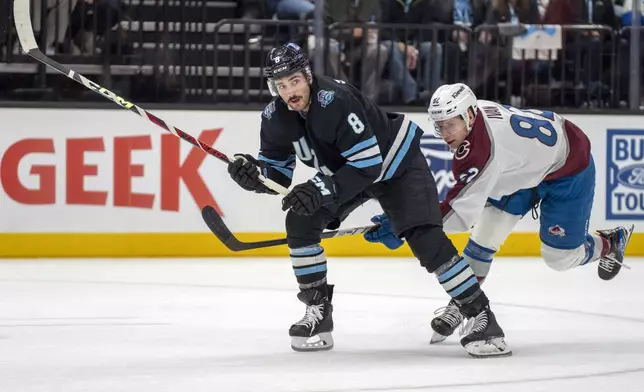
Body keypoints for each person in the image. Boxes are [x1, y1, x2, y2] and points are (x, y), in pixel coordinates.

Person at [227, 43, 511, 358]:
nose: (289, 91)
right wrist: (254, 176)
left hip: (396, 163)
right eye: (281, 85)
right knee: (300, 218)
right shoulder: (275, 116)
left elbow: (368, 165)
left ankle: (484, 319)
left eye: (294, 81)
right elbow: (277, 177)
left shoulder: (335, 100)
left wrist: (320, 188)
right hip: (348, 172)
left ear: (307, 76)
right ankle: (318, 313)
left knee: (426, 239)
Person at [364, 82, 635, 343]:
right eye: (440, 125)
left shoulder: (479, 151)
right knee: (485, 236)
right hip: (521, 166)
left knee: (560, 258)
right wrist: (407, 221)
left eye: (451, 123)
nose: (446, 133)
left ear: (469, 115)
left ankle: (610, 243)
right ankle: (463, 302)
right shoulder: (476, 119)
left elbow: (459, 216)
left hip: (568, 167)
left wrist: (405, 225)